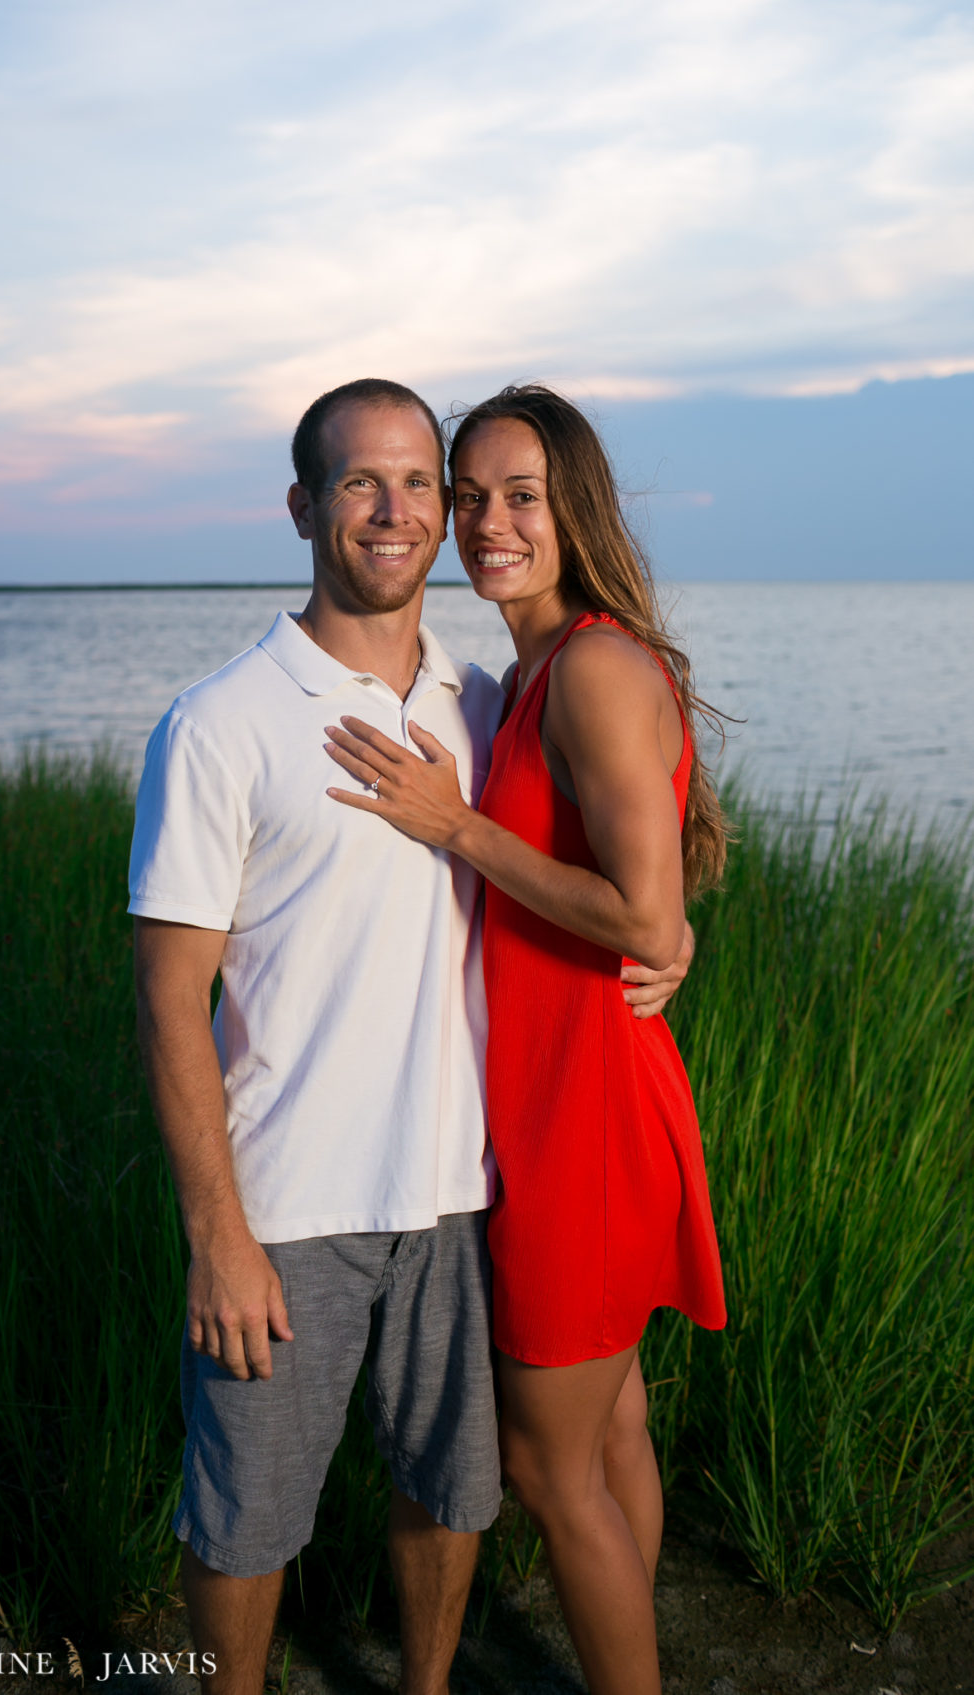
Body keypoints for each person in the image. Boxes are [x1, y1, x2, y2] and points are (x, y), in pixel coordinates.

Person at [129, 378, 691, 1695]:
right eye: (360, 483)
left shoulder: (483, 694)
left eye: (419, 485)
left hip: (466, 1186)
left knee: (456, 1492)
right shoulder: (219, 723)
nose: (400, 511)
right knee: (248, 1514)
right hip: (286, 1203)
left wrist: (661, 941)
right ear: (304, 507)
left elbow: (608, 863)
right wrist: (215, 1235)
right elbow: (166, 998)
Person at [325, 384, 727, 1695]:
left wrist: (458, 829)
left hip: (585, 1120)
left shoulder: (596, 666)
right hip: (571, 1100)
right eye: (472, 492)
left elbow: (638, 907)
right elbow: (652, 905)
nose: (490, 522)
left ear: (576, 512)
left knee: (552, 1472)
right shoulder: (532, 671)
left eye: (523, 497)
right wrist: (659, 941)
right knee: (608, 1435)